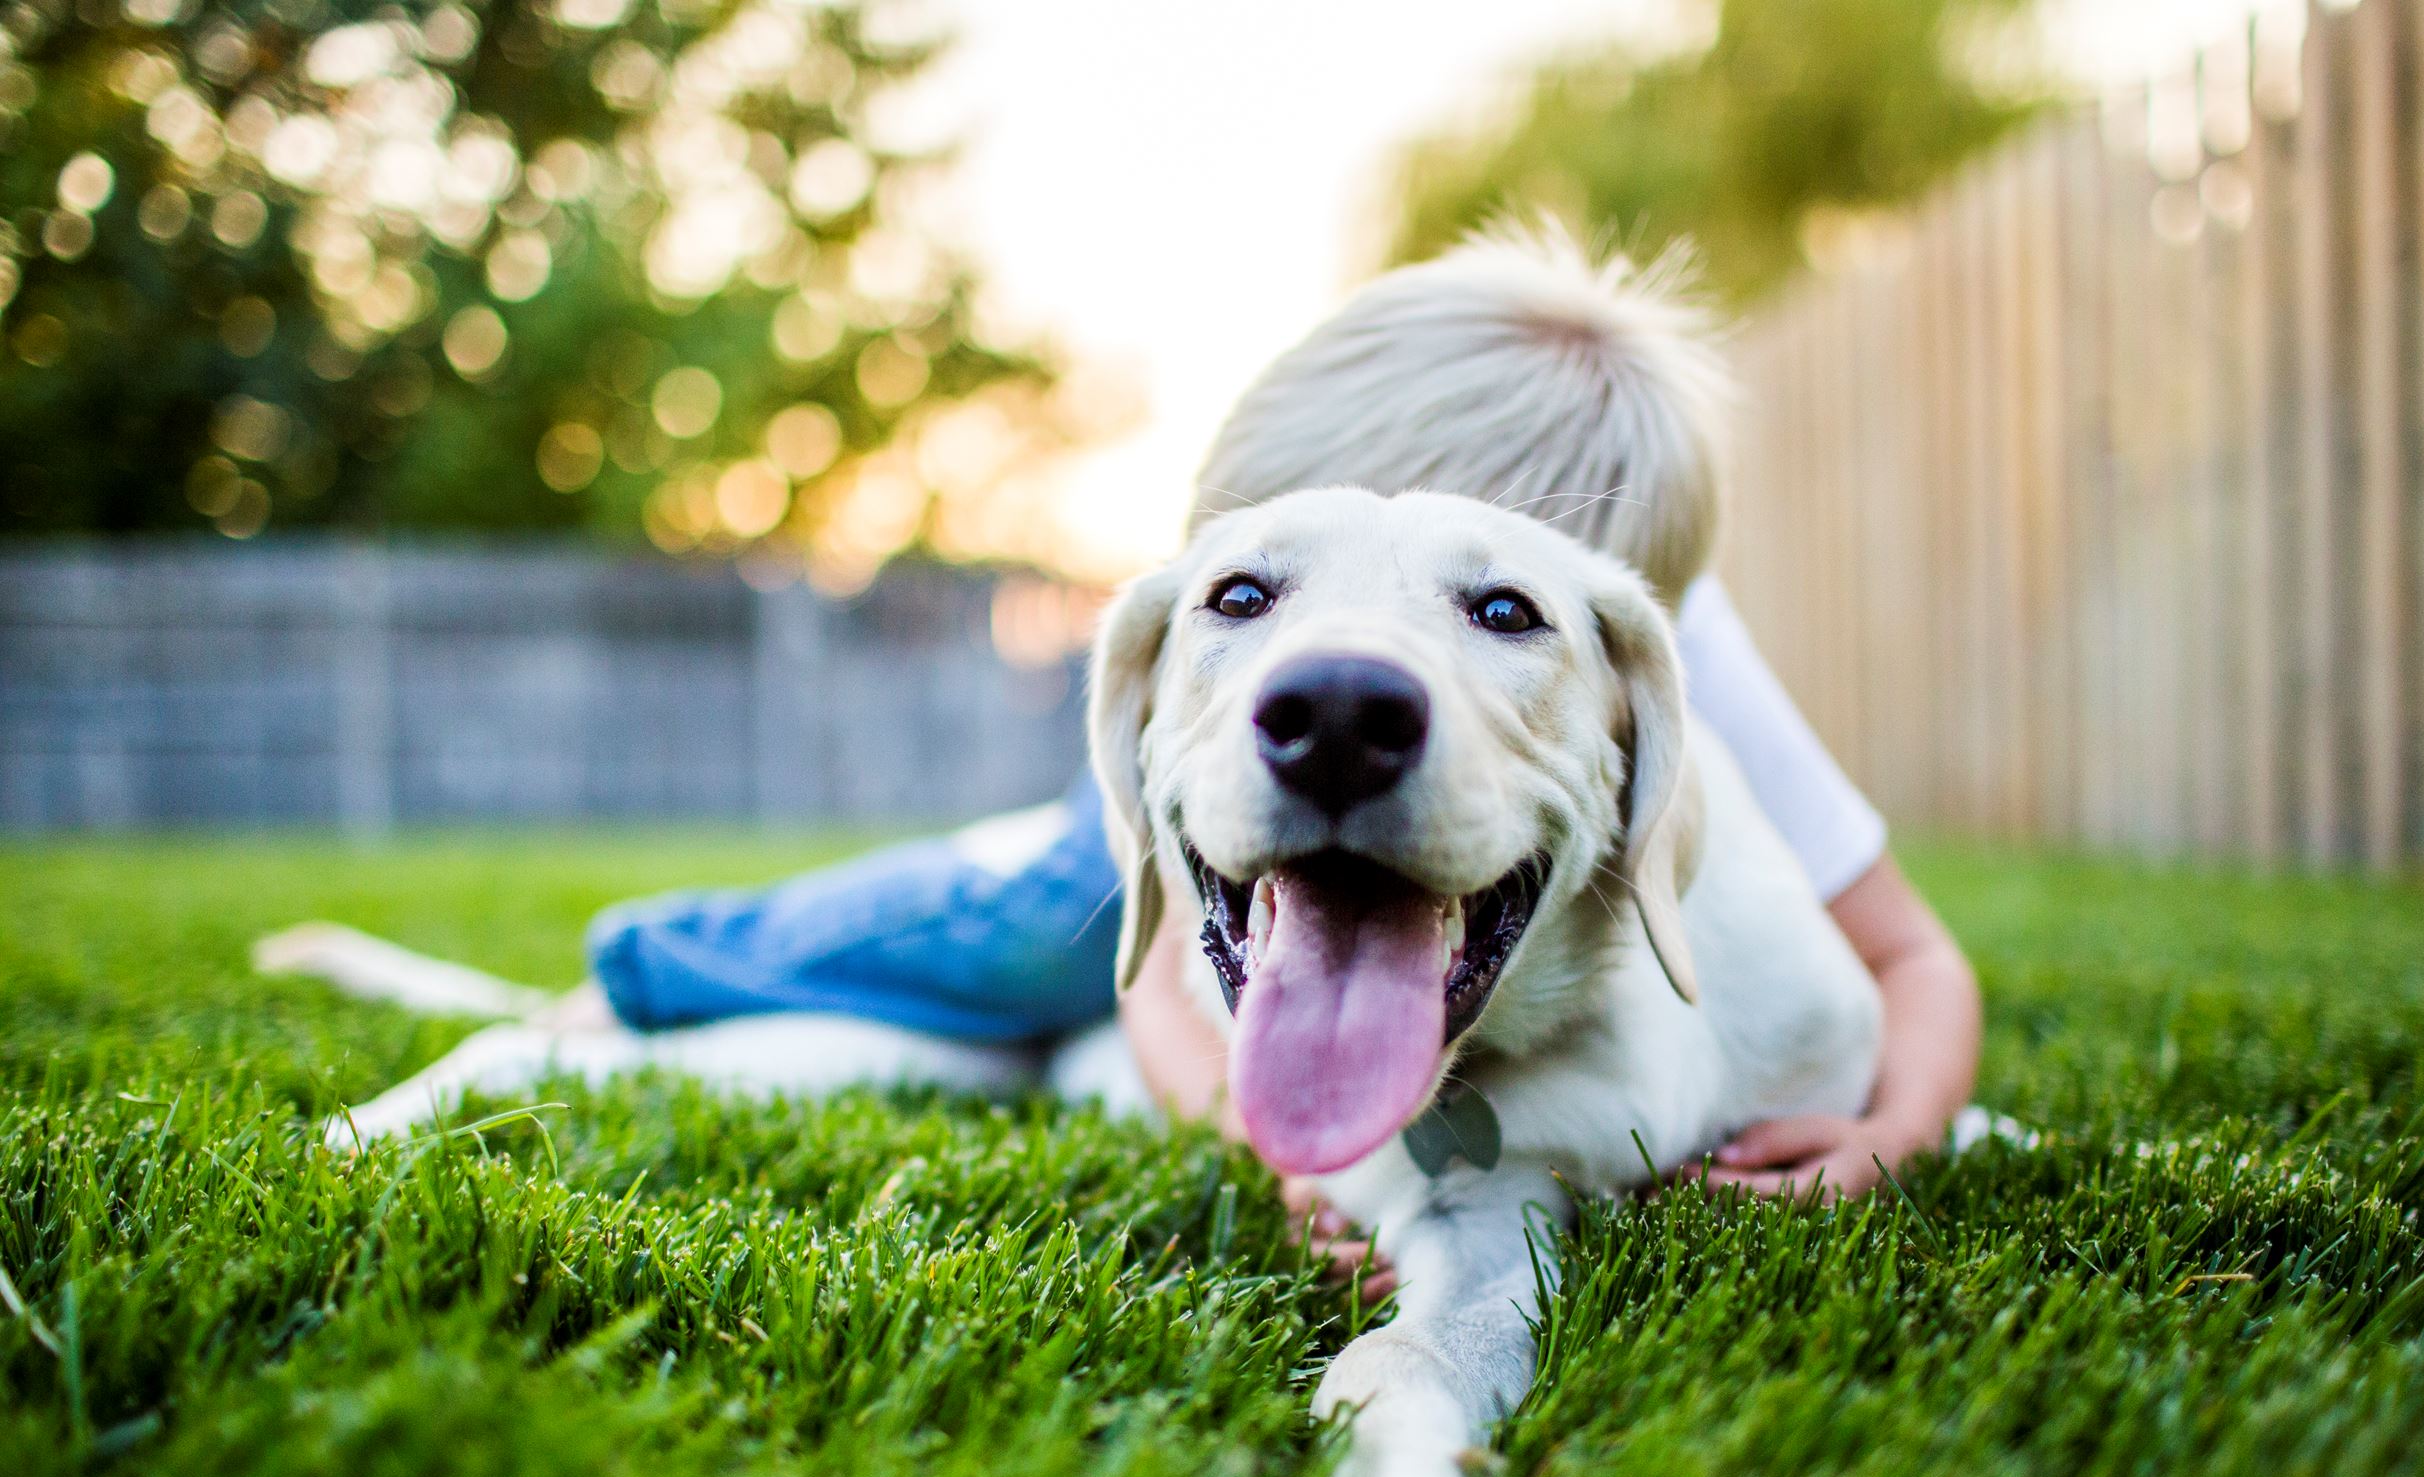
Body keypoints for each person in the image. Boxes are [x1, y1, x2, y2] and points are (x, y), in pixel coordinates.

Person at [585, 232, 1981, 1269]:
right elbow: (1160, 980)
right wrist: (1256, 1135)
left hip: (1445, 818)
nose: (1375, 638)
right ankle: (656, 962)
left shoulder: (1653, 635)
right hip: (1203, 791)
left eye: (1485, 597)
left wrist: (1892, 1131)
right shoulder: (1238, 675)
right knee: (1012, 934)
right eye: (1274, 570)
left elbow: (1911, 955)